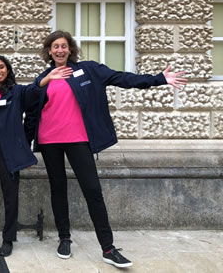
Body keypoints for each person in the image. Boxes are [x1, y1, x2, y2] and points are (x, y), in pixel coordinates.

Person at [25, 30, 187, 269]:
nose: (59, 50)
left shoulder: (88, 70)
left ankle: (108, 248)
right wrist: (44, 83)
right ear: (49, 51)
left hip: (78, 139)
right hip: (50, 141)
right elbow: (29, 106)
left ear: (70, 50)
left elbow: (121, 78)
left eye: (64, 46)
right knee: (58, 189)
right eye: (55, 47)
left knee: (93, 190)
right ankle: (64, 238)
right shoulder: (44, 77)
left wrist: (158, 79)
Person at [0, 55, 70, 257]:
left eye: (1, 67)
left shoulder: (17, 92)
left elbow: (34, 92)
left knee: (11, 196)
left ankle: (8, 238)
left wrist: (46, 79)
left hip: (8, 149)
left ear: (8, 69)